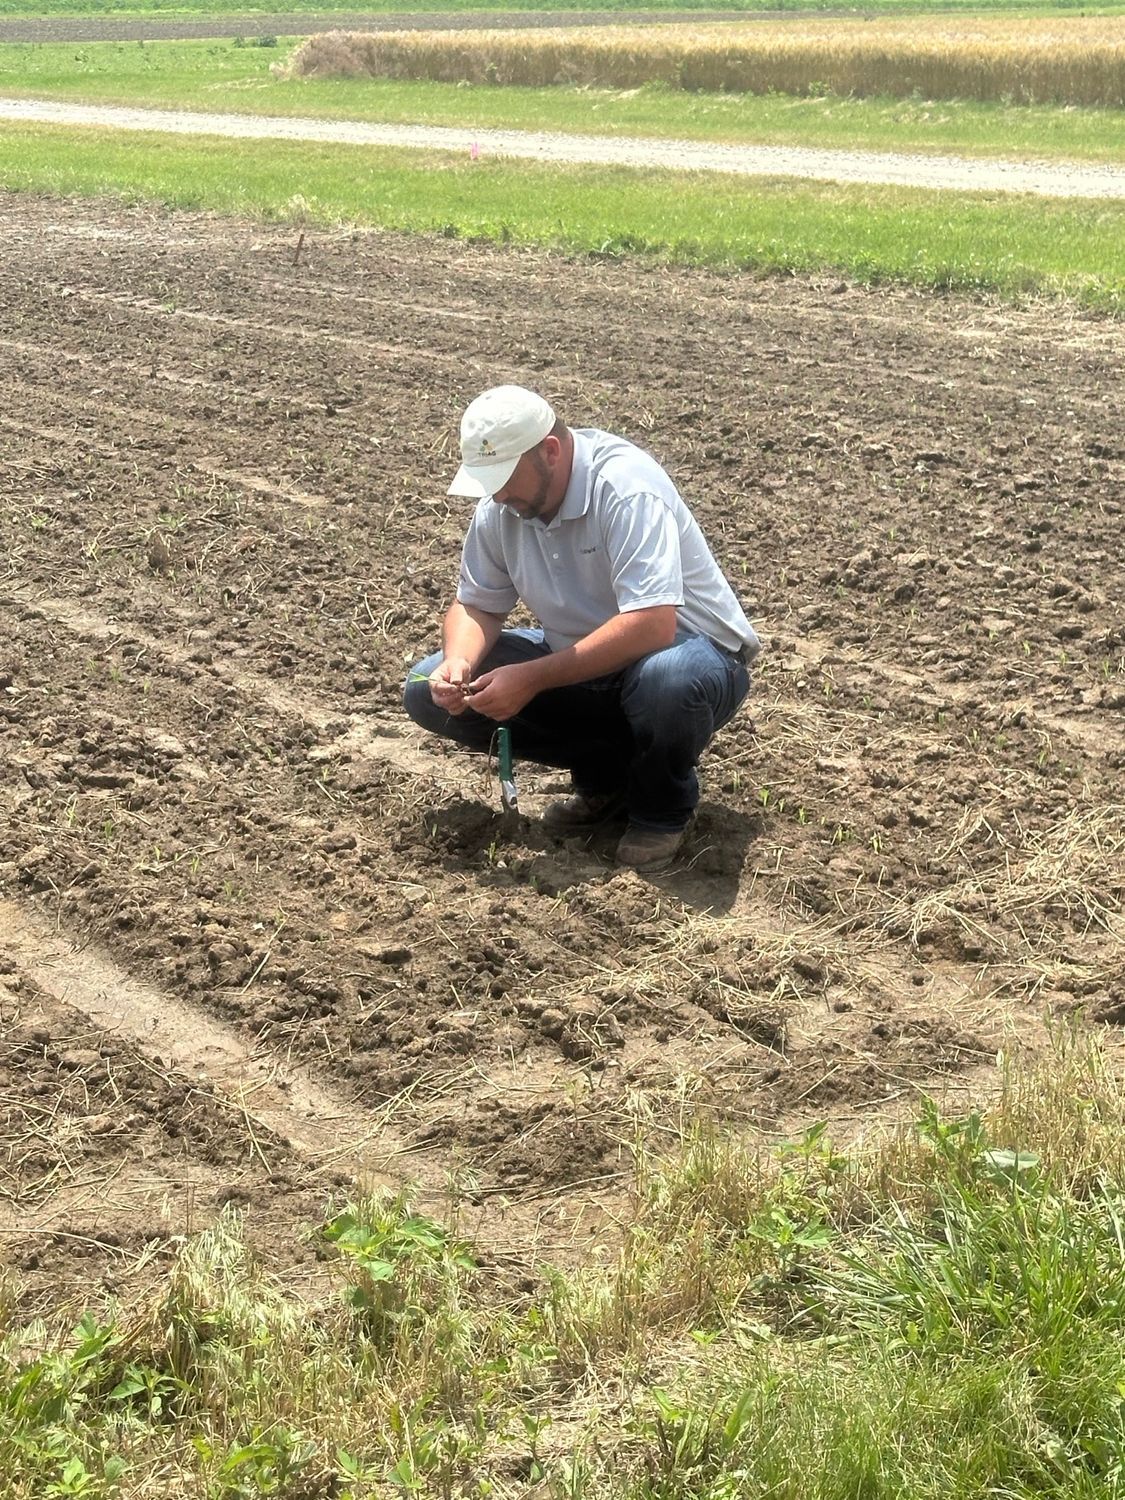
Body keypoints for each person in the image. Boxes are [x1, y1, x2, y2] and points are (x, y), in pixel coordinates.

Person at [403, 385, 760, 872]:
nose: (499, 495)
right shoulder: (504, 507)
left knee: (665, 681)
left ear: (550, 450)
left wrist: (532, 678)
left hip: (692, 655)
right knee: (425, 688)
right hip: (586, 665)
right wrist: (459, 661)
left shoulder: (625, 488)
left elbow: (652, 626)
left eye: (505, 477)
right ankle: (607, 783)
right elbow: (476, 606)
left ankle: (660, 811)